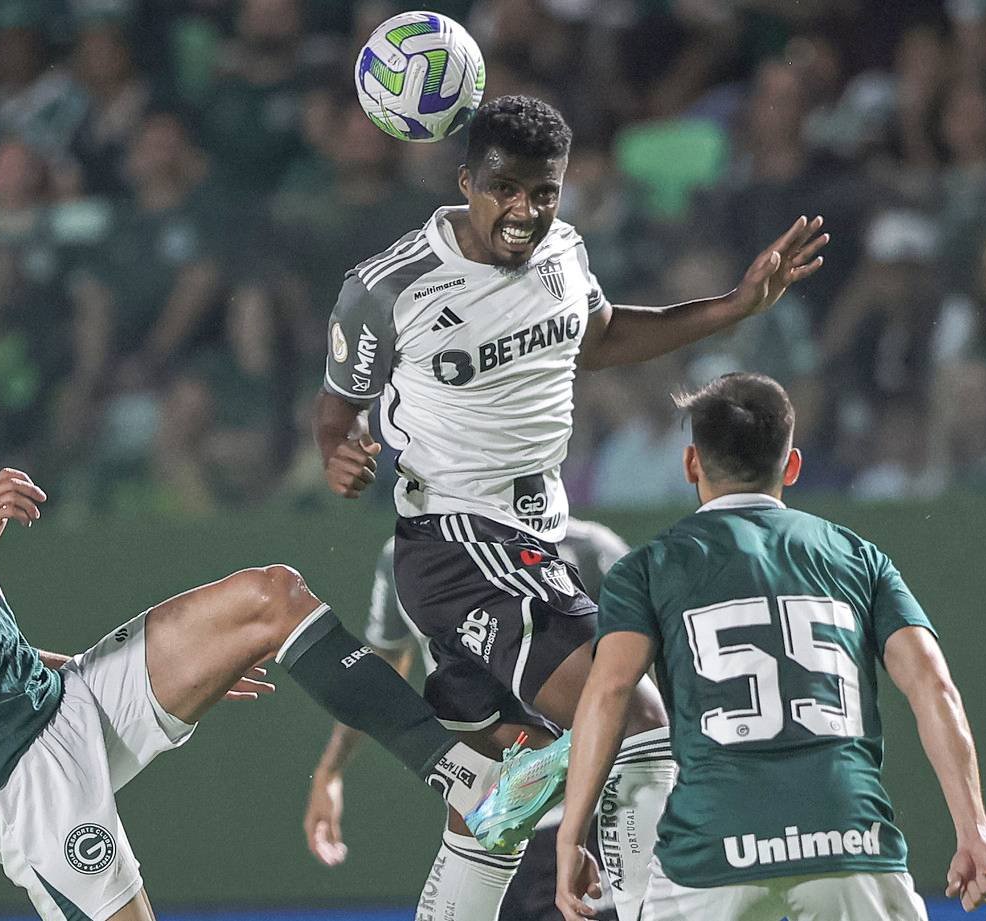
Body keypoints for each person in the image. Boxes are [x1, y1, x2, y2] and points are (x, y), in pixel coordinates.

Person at [0, 285, 558, 921]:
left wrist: (189, 666)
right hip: (14, 776)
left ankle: (469, 777)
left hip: (62, 698)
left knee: (271, 597)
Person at [316, 95, 828, 920]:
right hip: (459, 540)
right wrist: (338, 455)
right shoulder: (387, 286)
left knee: (493, 801)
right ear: (465, 181)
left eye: (543, 192)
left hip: (532, 543)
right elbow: (337, 407)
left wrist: (733, 306)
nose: (525, 211)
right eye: (505, 189)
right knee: (630, 714)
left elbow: (600, 337)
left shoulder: (562, 250)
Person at [553, 373, 986, 920]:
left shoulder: (648, 569)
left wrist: (570, 837)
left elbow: (609, 693)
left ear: (691, 463)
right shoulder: (858, 558)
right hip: (850, 844)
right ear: (791, 465)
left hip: (712, 854)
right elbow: (933, 685)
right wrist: (974, 830)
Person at [304, 519, 631, 921]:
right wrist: (330, 771)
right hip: (484, 823)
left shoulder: (584, 546)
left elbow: (640, 659)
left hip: (584, 814)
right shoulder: (403, 559)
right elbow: (381, 669)